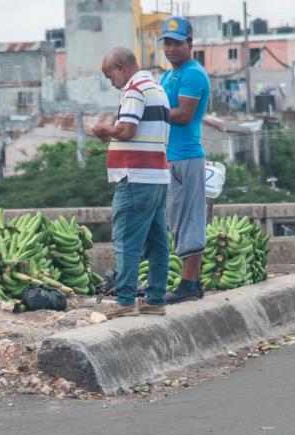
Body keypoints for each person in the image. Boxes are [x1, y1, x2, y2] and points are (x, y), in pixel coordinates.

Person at [91, 47, 171, 318]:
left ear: (121, 68)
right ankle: (155, 298)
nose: (110, 82)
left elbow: (127, 129)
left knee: (126, 239)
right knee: (158, 241)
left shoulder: (134, 88)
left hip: (136, 177)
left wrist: (104, 132)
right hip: (157, 177)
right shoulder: (156, 87)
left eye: (109, 75)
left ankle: (125, 300)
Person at [159, 16, 212, 303]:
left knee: (188, 218)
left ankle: (189, 284)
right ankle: (190, 282)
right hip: (171, 157)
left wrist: (151, 113)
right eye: (167, 43)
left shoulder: (192, 74)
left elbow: (183, 114)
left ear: (190, 43)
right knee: (176, 217)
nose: (171, 48)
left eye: (177, 43)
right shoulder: (168, 75)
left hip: (185, 157)